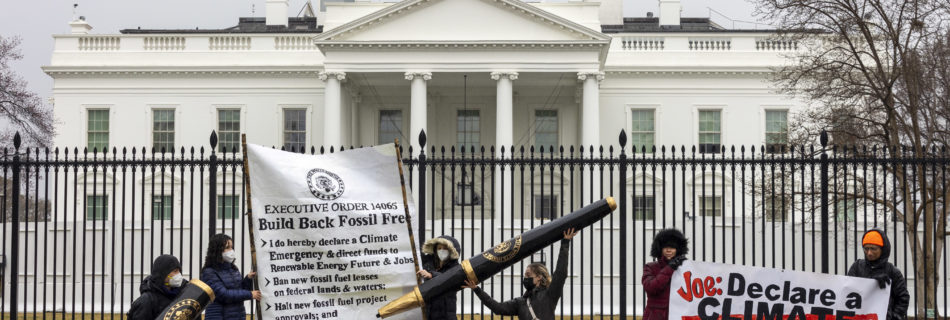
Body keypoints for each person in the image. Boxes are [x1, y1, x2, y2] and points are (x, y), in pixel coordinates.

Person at [462, 228, 578, 320]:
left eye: (528, 275)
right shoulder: (520, 302)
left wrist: (565, 243)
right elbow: (498, 308)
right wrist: (477, 290)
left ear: (539, 278)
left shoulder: (550, 294)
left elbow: (560, 273)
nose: (525, 278)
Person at [847, 229, 909, 320]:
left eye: (873, 249)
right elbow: (848, 291)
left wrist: (894, 317)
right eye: (866, 248)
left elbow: (903, 298)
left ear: (883, 249)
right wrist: (871, 280)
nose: (869, 253)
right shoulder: (856, 267)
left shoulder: (893, 272)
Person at [200, 234, 262, 320]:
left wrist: (248, 278)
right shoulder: (209, 272)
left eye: (231, 247)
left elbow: (240, 292)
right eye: (227, 247)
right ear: (217, 250)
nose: (231, 251)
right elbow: (223, 295)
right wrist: (250, 294)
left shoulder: (232, 269)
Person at [641, 229, 689, 320]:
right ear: (659, 248)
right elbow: (651, 288)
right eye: (665, 247)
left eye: (672, 247)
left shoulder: (685, 268)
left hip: (678, 314)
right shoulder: (650, 267)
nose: (668, 250)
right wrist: (670, 268)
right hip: (655, 315)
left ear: (678, 249)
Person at [417, 235, 462, 320]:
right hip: (429, 312)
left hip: (446, 313)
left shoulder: (455, 267)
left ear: (450, 250)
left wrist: (431, 275)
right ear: (435, 250)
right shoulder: (428, 264)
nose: (441, 251)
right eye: (439, 248)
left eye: (444, 248)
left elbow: (449, 280)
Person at [128, 254, 186, 320]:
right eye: (175, 271)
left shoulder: (183, 294)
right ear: (163, 274)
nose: (178, 274)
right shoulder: (147, 301)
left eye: (179, 271)